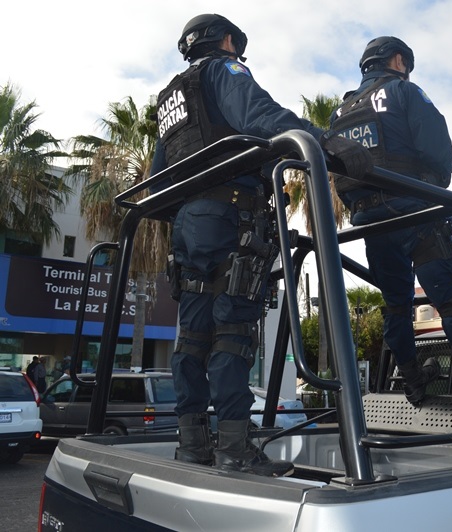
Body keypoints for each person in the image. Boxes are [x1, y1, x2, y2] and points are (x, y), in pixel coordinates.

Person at [151, 14, 372, 477]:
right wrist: (322, 140)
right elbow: (259, 114)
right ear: (226, 41)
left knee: (192, 335)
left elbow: (157, 176)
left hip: (188, 223)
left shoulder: (169, 99)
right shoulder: (223, 71)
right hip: (230, 213)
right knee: (232, 330)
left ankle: (191, 443)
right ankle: (234, 447)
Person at [329, 37, 452, 409]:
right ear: (397, 60)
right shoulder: (403, 91)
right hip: (419, 213)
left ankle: (413, 382)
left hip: (372, 224)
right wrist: (435, 189)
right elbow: (438, 149)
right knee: (450, 302)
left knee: (395, 305)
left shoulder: (339, 114)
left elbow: (339, 176)